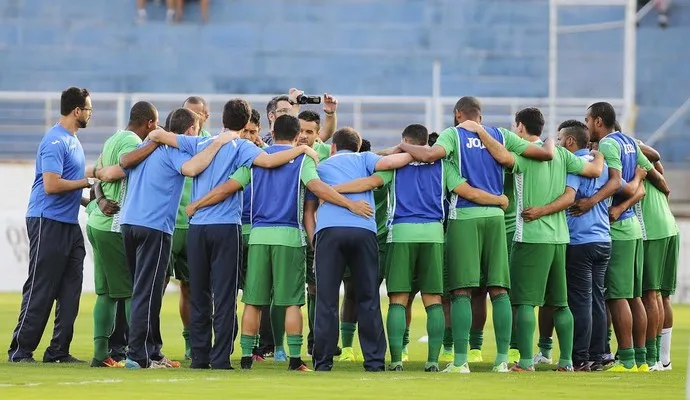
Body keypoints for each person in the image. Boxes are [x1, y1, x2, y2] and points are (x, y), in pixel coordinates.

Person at [333, 124, 509, 372]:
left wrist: (335, 190)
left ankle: (395, 360)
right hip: (434, 235)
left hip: (402, 234)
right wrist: (499, 200)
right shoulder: (443, 165)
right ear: (427, 142)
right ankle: (433, 361)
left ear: (405, 140)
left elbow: (369, 182)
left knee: (398, 299)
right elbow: (466, 191)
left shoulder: (396, 165)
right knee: (433, 299)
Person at [398, 97, 554, 373]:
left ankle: (460, 361)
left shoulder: (452, 135)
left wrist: (403, 146)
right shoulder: (501, 134)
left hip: (466, 217)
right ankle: (502, 361)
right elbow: (542, 154)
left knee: (462, 291)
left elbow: (430, 156)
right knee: (499, 290)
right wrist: (550, 140)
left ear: (458, 115)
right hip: (496, 220)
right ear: (480, 117)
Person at [159, 104, 319, 370]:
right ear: (246, 122)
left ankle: (199, 357)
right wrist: (302, 148)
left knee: (198, 293)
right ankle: (220, 357)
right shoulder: (243, 148)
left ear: (221, 119)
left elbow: (165, 136)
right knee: (224, 296)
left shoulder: (201, 141)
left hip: (197, 227)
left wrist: (157, 135)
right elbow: (269, 161)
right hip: (226, 226)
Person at [460, 109, 605, 373]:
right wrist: (600, 152)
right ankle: (567, 361)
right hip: (560, 238)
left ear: (519, 128)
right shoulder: (562, 154)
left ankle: (526, 362)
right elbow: (594, 171)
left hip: (530, 235)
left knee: (524, 302)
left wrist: (480, 131)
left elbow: (500, 156)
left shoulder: (524, 157)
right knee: (560, 303)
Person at [120, 108, 236, 369]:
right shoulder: (173, 150)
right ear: (189, 131)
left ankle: (150, 351)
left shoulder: (146, 147)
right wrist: (218, 142)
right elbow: (193, 169)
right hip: (154, 226)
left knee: (142, 291)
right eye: (197, 129)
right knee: (146, 293)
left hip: (129, 224)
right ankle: (137, 355)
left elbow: (123, 164)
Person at [571, 102, 668, 372]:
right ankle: (643, 358)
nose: (587, 125)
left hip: (620, 228)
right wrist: (640, 190)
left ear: (599, 121)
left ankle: (626, 360)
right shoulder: (630, 142)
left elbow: (614, 182)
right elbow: (647, 177)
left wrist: (592, 202)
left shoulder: (607, 146)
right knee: (635, 295)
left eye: (588, 119)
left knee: (617, 297)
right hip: (633, 225)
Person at [310, 127, 415, 372]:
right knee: (368, 298)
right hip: (363, 230)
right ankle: (375, 362)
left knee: (326, 299)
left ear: (333, 147)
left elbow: (310, 205)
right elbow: (392, 161)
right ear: (357, 147)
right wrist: (413, 150)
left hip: (329, 231)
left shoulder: (321, 166)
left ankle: (323, 362)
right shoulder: (366, 159)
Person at [8, 87, 94, 363]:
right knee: (42, 286)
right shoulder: (55, 141)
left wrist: (89, 202)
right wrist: (89, 180)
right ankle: (20, 350)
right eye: (89, 109)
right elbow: (52, 185)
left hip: (68, 223)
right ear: (77, 111)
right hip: (47, 221)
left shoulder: (74, 141)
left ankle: (58, 350)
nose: (91, 114)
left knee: (71, 289)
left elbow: (67, 186)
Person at [86, 101, 162, 368]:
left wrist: (100, 196)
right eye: (156, 125)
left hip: (97, 221)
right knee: (132, 292)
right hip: (114, 223)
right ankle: (138, 354)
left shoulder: (113, 138)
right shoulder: (132, 143)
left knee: (106, 294)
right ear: (150, 124)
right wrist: (155, 144)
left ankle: (100, 354)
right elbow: (120, 169)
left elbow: (97, 176)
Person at [558, 120, 630, 371]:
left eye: (559, 140)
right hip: (603, 239)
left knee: (580, 300)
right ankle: (600, 355)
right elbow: (622, 185)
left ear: (569, 141)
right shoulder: (603, 165)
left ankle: (581, 357)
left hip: (580, 240)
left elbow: (568, 197)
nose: (557, 145)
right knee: (598, 299)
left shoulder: (574, 166)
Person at [166, 96, 213, 361]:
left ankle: (192, 342)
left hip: (195, 222)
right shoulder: (172, 141)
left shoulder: (210, 144)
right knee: (158, 284)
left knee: (193, 287)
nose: (192, 119)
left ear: (206, 117)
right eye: (188, 114)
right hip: (171, 223)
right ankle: (146, 341)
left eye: (197, 114)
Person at [630, 140, 678, 371]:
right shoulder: (652, 165)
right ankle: (664, 358)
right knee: (661, 295)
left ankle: (653, 358)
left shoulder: (632, 162)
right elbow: (661, 174)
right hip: (669, 227)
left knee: (650, 294)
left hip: (651, 230)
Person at [262, 89, 337, 145]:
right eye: (284, 111)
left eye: (291, 110)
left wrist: (330, 113)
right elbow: (284, 143)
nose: (289, 114)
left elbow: (326, 133)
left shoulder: (298, 137)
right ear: (271, 116)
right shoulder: (266, 141)